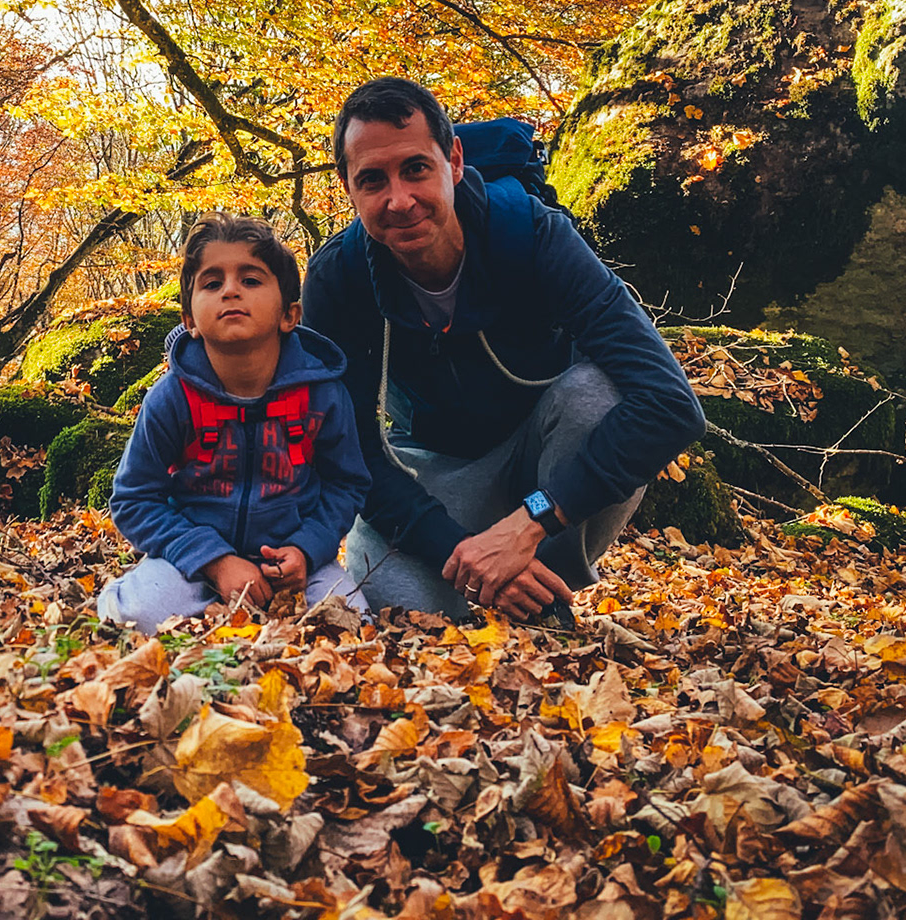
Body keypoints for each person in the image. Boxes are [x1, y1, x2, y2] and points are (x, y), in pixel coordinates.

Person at [301, 77, 707, 621]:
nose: (399, 200)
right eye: (373, 179)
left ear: (454, 161)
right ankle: (514, 588)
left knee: (596, 395)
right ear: (348, 189)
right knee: (400, 604)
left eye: (416, 169)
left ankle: (544, 594)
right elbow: (350, 453)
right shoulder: (338, 279)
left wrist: (528, 524)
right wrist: (453, 549)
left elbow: (671, 404)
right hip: (433, 473)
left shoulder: (535, 235)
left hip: (544, 471)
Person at [98, 215, 371, 633]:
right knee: (135, 618)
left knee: (352, 625)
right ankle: (131, 591)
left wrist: (306, 549)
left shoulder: (323, 395)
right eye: (211, 283)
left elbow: (346, 485)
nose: (230, 290)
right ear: (189, 320)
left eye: (251, 280)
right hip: (193, 563)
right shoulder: (172, 398)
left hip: (293, 565)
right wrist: (215, 561)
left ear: (289, 315)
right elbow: (133, 498)